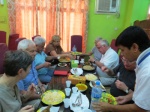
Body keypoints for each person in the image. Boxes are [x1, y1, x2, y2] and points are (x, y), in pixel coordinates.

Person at [92, 26, 150, 112]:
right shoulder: (142, 62)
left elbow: (141, 109)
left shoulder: (147, 72)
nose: (122, 54)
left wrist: (110, 107)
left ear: (135, 47)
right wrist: (127, 97)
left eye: (122, 50)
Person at [17, 39, 46, 109]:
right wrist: (42, 95)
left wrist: (41, 85)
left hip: (37, 89)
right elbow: (22, 94)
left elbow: (36, 76)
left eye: (35, 50)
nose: (35, 53)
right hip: (28, 97)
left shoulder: (31, 59)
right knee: (45, 104)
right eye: (32, 51)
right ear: (22, 51)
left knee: (54, 90)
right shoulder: (17, 67)